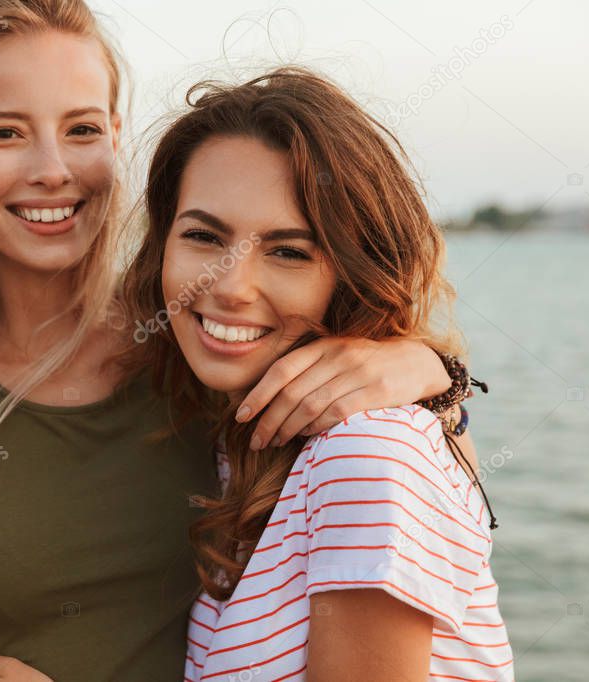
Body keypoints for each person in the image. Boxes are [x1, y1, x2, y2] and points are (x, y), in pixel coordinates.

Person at [0, 2, 468, 680]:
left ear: (114, 138)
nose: (51, 171)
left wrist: (431, 365)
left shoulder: (194, 335)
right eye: (4, 133)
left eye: (81, 130)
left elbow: (387, 476)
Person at [129, 67, 511, 681]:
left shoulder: (363, 456)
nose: (228, 287)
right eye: (203, 235)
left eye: (288, 251)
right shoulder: (250, 432)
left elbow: (391, 465)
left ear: (354, 272)